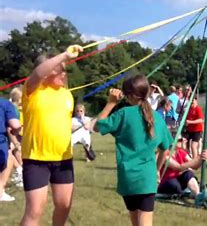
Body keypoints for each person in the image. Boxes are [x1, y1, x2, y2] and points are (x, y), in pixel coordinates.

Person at [94, 74, 171, 226]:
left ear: (128, 95)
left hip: (127, 178)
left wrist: (110, 103)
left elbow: (98, 126)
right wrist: (157, 169)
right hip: (147, 178)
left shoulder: (123, 114)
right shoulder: (157, 118)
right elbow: (165, 150)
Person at [20, 45, 83, 225]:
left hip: (63, 160)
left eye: (65, 71)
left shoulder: (67, 95)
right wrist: (64, 55)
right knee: (35, 210)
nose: (64, 74)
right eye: (59, 70)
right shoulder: (32, 90)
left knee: (64, 205)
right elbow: (38, 73)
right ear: (47, 72)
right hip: (36, 159)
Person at [0, 98, 22, 201]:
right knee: (8, 157)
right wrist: (16, 134)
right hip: (1, 141)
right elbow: (15, 125)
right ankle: (0, 191)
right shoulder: (5, 104)